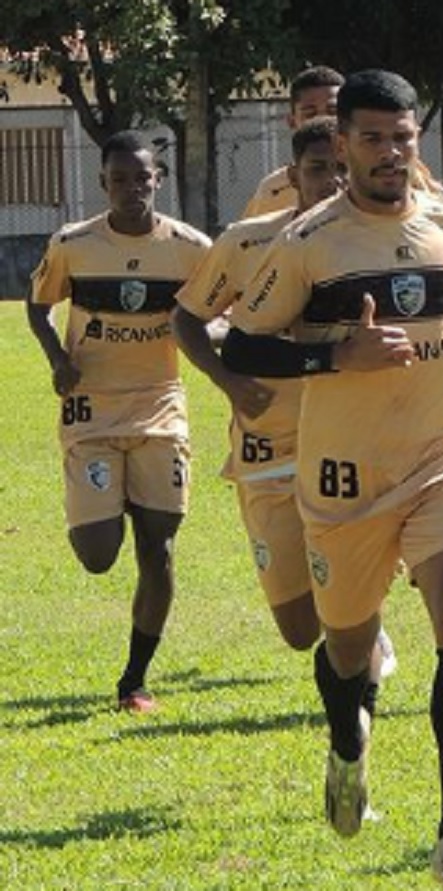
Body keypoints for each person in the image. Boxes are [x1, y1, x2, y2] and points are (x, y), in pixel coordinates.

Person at [221, 69, 443, 886]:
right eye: (374, 139)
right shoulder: (309, 239)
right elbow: (243, 345)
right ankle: (349, 737)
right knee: (345, 644)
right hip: (343, 470)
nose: (391, 153)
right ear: (341, 142)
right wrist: (331, 354)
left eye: (404, 138)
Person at [171, 116, 397, 687]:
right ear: (293, 175)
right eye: (318, 169)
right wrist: (227, 381)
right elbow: (187, 318)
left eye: (341, 168)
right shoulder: (245, 241)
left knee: (351, 584)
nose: (332, 180)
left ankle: (364, 633)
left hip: (347, 440)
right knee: (299, 631)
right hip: (265, 448)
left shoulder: (372, 241)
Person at [26, 130, 212, 713]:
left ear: (158, 179)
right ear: (103, 182)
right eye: (120, 179)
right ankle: (111, 502)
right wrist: (59, 359)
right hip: (93, 412)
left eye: (143, 178)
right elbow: (39, 304)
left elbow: (216, 312)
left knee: (158, 551)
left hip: (160, 406)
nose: (133, 189)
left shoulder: (191, 249)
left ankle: (134, 679)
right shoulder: (74, 244)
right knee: (99, 554)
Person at [241, 66, 343, 219]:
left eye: (333, 111)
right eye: (310, 113)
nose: (323, 119)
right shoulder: (272, 191)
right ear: (292, 121)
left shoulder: (371, 182)